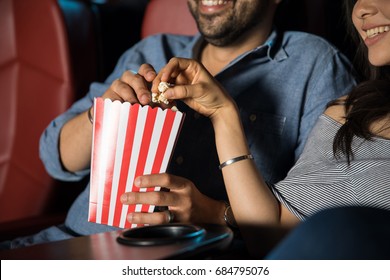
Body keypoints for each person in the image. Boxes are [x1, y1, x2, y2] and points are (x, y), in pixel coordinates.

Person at [2, 0, 356, 249]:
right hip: (71, 240)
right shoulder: (151, 51)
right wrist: (103, 112)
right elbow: (55, 156)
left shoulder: (316, 65)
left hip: (192, 256)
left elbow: (317, 220)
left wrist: (217, 215)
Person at [131, 0, 389, 258]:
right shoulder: (348, 112)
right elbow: (272, 232)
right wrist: (98, 115)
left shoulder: (317, 64)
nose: (361, 10)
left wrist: (216, 213)